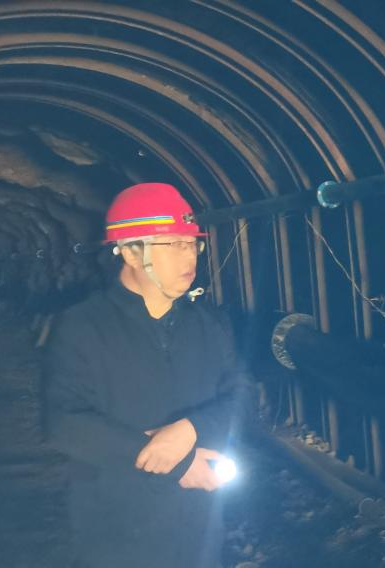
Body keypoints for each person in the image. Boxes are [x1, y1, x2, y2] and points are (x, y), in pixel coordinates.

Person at [44, 182, 245, 567]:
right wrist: (176, 462)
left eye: (193, 244)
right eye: (174, 244)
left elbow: (241, 396)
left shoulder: (210, 324)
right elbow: (64, 423)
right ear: (131, 252)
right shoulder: (83, 326)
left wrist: (193, 428)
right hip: (118, 530)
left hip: (198, 530)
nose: (189, 256)